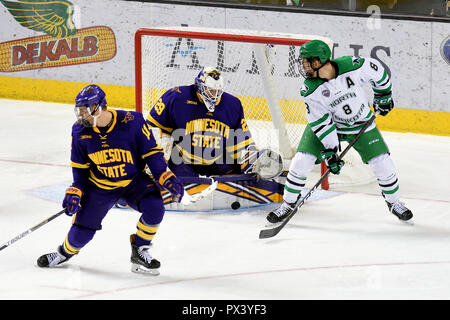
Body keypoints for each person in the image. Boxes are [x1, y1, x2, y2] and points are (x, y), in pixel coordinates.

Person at [36, 84, 185, 275]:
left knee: (155, 208)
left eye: (85, 110)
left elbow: (152, 153)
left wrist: (164, 175)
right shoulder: (79, 131)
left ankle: (140, 250)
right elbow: (80, 170)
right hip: (100, 187)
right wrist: (75, 191)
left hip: (133, 182)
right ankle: (64, 253)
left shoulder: (133, 121)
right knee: (81, 235)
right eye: (79, 111)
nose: (81, 115)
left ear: (98, 107)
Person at [266, 40, 413, 224]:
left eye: (306, 62)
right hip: (330, 126)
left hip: (361, 123)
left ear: (318, 61)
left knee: (383, 163)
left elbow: (377, 70)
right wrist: (330, 152)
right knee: (301, 160)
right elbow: (321, 122)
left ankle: (394, 203)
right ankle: (288, 204)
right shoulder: (310, 89)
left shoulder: (351, 66)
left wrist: (384, 94)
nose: (303, 66)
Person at [146, 66, 283, 180]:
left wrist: (252, 159)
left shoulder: (232, 105)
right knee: (172, 176)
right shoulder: (177, 97)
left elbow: (241, 141)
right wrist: (154, 162)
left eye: (218, 91)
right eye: (211, 90)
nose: (215, 94)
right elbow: (153, 128)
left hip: (218, 159)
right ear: (199, 86)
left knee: (240, 174)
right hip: (183, 160)